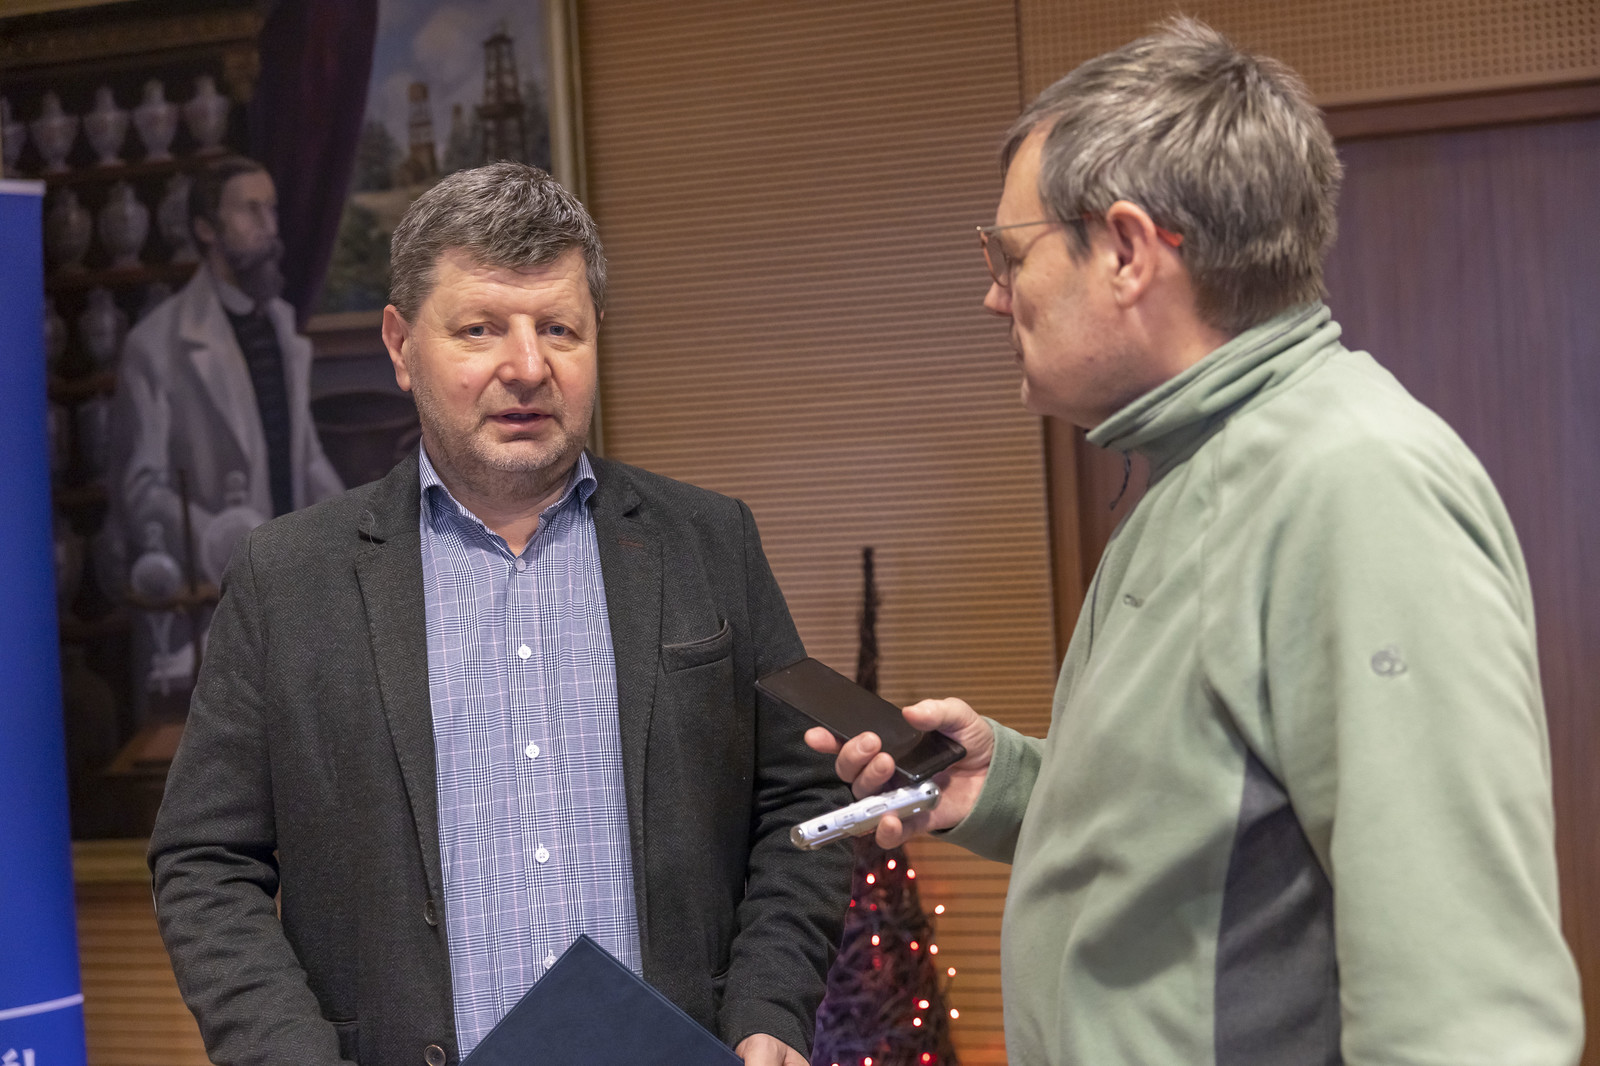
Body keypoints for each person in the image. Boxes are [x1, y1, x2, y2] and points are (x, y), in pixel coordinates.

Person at [810, 18, 1583, 1066]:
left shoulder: (1353, 484)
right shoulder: (1196, 469)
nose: (994, 295)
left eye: (1011, 254)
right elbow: (1213, 843)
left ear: (1127, 252)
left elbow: (1467, 1009)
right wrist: (1007, 787)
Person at [149, 162, 851, 1066]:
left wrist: (768, 1011)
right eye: (479, 329)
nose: (526, 367)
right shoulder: (288, 579)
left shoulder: (709, 543)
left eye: (559, 328)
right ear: (401, 346)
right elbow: (206, 862)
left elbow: (802, 804)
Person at [110, 156, 344, 694]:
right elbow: (139, 491)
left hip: (294, 600)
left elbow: (305, 458)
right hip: (209, 608)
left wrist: (359, 533)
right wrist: (225, 540)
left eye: (272, 209)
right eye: (250, 210)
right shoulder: (155, 346)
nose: (269, 226)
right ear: (206, 229)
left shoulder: (281, 326)